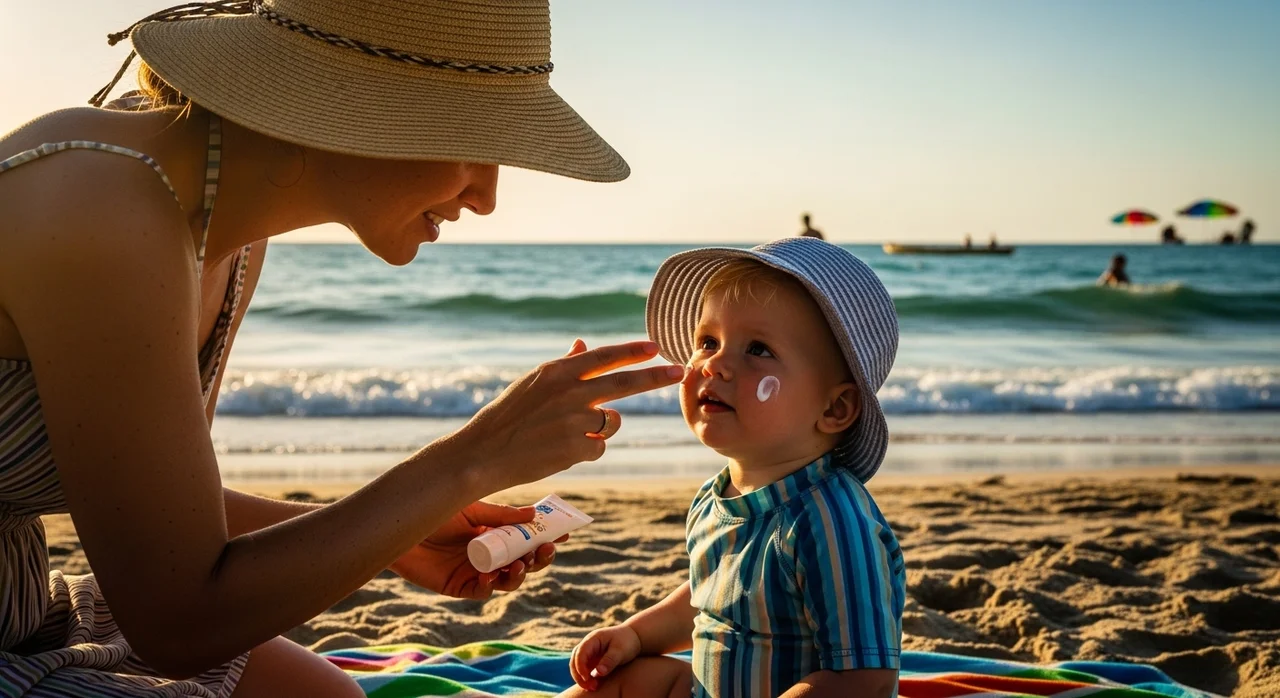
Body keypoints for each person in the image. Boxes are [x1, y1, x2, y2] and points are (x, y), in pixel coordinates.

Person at [0, 1, 681, 696]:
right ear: (357, 104)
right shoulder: (104, 210)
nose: (487, 197)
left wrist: (401, 536)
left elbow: (165, 509)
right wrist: (471, 460)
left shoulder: (223, 232)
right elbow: (177, 625)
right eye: (476, 142)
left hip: (19, 613)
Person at [562, 239, 905, 698]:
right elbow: (708, 599)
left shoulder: (832, 519)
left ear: (836, 407)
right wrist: (636, 635)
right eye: (708, 342)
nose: (716, 364)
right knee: (618, 683)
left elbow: (865, 679)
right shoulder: (715, 497)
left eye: (758, 349)